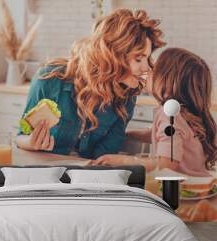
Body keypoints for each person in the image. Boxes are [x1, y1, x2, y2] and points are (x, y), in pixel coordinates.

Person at [16, 9, 165, 159]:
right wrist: (31, 142)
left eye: (147, 58)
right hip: (45, 173)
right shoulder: (50, 79)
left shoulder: (126, 96)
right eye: (138, 59)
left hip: (88, 177)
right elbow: (21, 137)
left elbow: (104, 155)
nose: (146, 68)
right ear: (112, 55)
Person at [92, 48, 217, 177]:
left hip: (181, 190)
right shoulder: (185, 114)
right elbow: (158, 133)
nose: (148, 70)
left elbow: (167, 163)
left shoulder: (169, 116)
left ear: (168, 81)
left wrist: (122, 161)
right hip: (201, 186)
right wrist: (126, 134)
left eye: (154, 69)